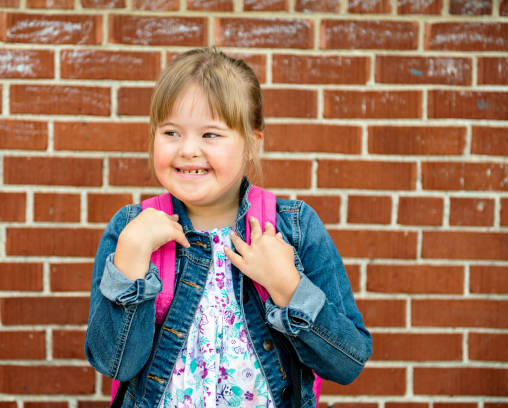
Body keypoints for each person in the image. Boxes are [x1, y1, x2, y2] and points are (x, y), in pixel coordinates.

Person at [85, 47, 372, 408]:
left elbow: (348, 362)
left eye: (210, 135)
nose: (188, 150)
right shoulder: (130, 230)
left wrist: (288, 287)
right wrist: (130, 262)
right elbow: (114, 364)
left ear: (253, 143)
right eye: (171, 132)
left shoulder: (294, 228)